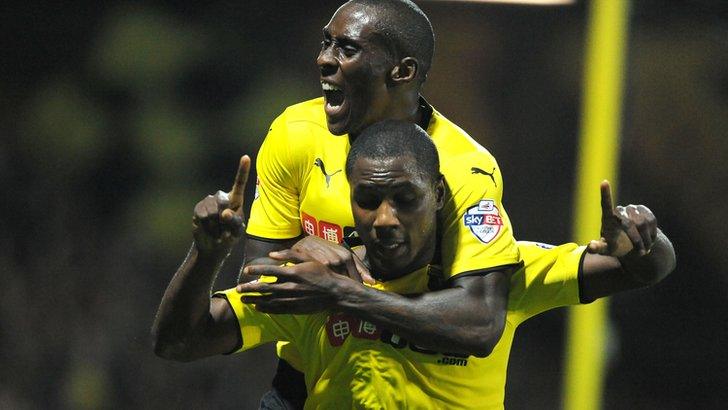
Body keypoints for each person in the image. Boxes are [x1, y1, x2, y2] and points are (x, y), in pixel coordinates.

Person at [152, 121, 676, 408]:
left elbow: (643, 270)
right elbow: (178, 341)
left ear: (440, 195)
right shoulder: (316, 279)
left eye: (404, 198)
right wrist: (206, 255)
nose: (383, 219)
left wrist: (644, 245)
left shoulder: (498, 274)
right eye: (367, 200)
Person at [156, 1, 525, 407]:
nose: (323, 59)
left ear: (402, 71)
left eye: (346, 49)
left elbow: (480, 322)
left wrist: (343, 291)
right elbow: (259, 281)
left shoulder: (465, 168)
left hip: (412, 388)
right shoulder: (295, 135)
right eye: (325, 43)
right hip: (309, 383)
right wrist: (216, 253)